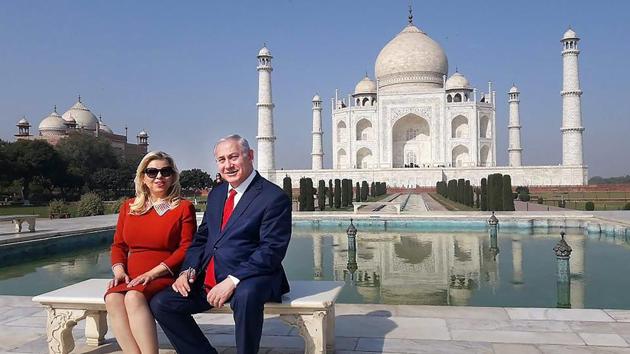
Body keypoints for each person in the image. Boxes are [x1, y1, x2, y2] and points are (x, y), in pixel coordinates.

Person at [150, 134, 292, 354]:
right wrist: (187, 270)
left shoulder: (273, 197)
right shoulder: (217, 194)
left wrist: (232, 281)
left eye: (233, 157)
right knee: (162, 303)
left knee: (246, 296)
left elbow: (271, 250)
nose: (228, 165)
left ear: (250, 156)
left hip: (253, 276)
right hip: (211, 276)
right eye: (222, 159)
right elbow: (202, 239)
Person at [105, 151, 196, 354]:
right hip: (131, 275)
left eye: (165, 171)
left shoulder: (183, 207)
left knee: (133, 297)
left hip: (163, 273)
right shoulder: (128, 207)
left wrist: (152, 273)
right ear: (143, 177)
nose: (159, 177)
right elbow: (119, 245)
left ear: (173, 176)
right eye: (152, 172)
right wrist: (119, 271)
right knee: (112, 298)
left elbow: (186, 247)